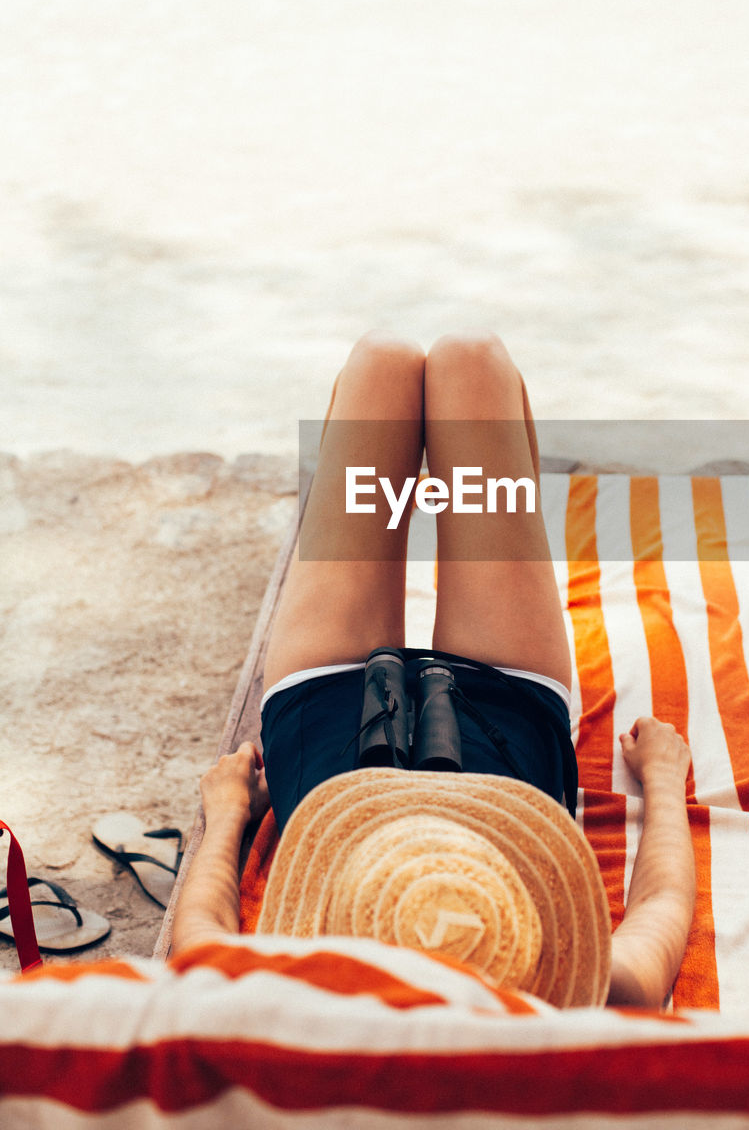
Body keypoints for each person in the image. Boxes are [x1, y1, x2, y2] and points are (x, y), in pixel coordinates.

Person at [171, 332, 695, 1009]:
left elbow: (197, 941)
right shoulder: (591, 998)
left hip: (332, 727)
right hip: (501, 720)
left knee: (383, 364)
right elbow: (663, 903)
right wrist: (660, 777)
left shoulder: (292, 1002)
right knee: (470, 361)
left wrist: (229, 811)